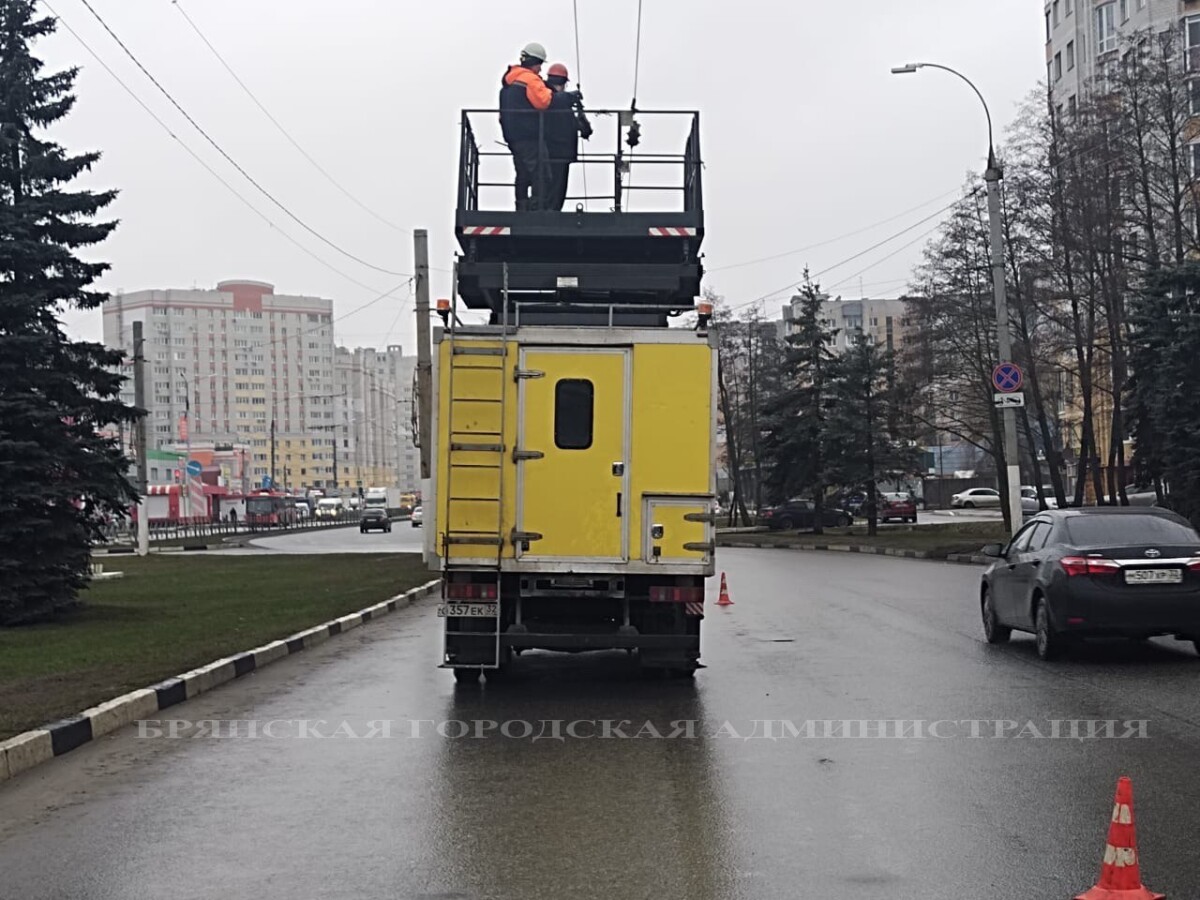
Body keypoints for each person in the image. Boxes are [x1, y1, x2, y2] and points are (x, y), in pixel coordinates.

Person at [499, 42, 554, 210]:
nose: (540, 70)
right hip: (529, 135)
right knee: (542, 175)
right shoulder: (530, 79)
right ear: (536, 63)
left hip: (512, 136)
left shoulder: (510, 80)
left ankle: (521, 208)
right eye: (540, 66)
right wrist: (549, 90)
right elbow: (543, 102)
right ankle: (537, 210)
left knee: (522, 173)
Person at [543, 63, 592, 211]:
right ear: (564, 83)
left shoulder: (559, 101)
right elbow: (555, 100)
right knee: (555, 189)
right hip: (557, 152)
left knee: (553, 189)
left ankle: (549, 211)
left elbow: (582, 128)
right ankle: (550, 213)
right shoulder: (550, 97)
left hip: (554, 152)